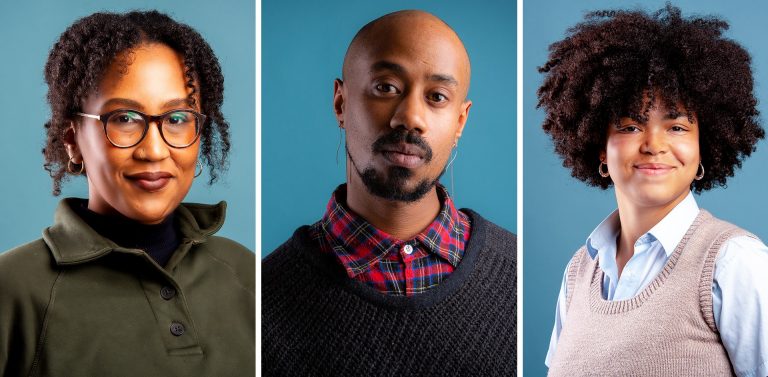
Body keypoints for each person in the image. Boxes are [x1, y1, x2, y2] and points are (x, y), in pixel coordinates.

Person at [262, 10, 516, 376]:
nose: (410, 117)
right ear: (340, 104)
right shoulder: (260, 302)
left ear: (460, 121)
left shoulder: (516, 278)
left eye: (437, 96)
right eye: (386, 87)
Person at [0, 11, 254, 376]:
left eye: (178, 118)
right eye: (124, 118)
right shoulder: (12, 291)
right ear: (72, 140)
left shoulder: (246, 272)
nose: (153, 150)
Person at [538, 5, 768, 376]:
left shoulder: (735, 263)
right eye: (630, 126)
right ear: (601, 145)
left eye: (677, 126)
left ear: (702, 146)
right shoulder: (579, 272)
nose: (654, 144)